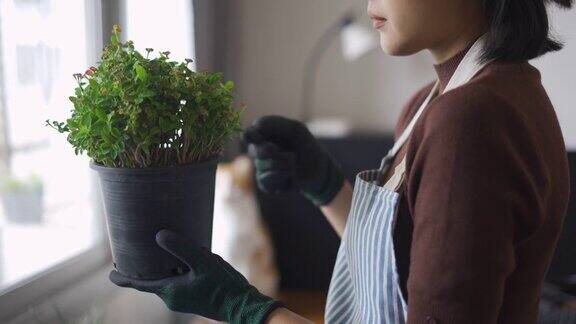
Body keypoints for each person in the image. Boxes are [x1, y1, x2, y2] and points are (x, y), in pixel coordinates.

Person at [109, 0, 574, 322]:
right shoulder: (438, 103)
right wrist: (326, 186)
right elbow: (406, 264)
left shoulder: (472, 121)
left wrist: (244, 308)